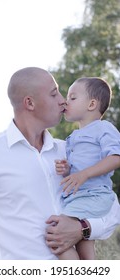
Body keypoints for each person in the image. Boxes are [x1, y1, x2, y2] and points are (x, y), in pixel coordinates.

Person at [0, 68, 120, 260]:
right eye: (54, 93)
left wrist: (83, 229)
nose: (63, 100)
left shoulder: (69, 152)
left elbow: (111, 208)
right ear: (30, 103)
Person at [55, 77, 120, 260]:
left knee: (60, 233)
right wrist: (67, 169)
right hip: (78, 196)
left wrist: (84, 174)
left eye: (73, 98)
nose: (66, 102)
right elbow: (78, 169)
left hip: (94, 195)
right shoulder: (73, 136)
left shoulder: (103, 128)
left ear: (91, 104)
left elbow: (116, 157)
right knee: (83, 244)